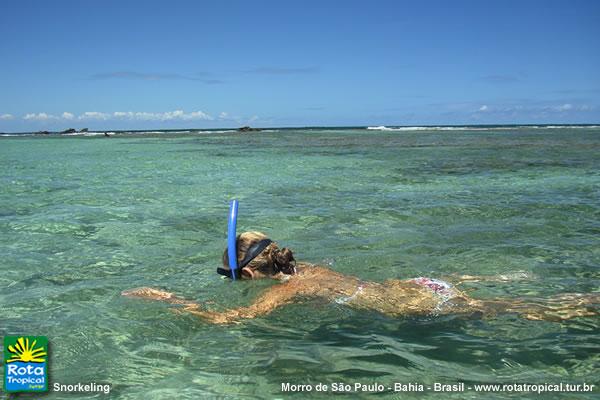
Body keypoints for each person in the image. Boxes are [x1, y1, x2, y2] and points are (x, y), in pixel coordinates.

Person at [123, 231, 599, 324]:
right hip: (420, 284)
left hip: (412, 304)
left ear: (250, 273)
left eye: (236, 279)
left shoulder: (287, 292)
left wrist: (166, 298)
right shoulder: (301, 268)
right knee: (509, 299)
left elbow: (225, 321)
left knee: (535, 314)